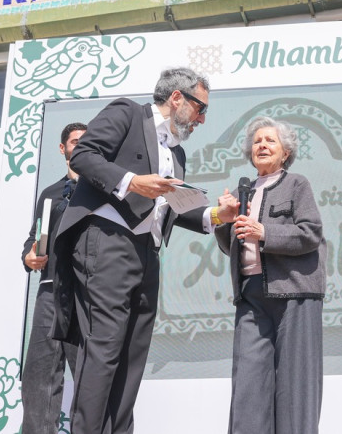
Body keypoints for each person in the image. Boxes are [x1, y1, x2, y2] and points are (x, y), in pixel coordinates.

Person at [51, 68, 238, 434]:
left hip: (147, 253)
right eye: (201, 109)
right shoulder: (127, 114)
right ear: (177, 98)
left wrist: (219, 214)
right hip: (107, 242)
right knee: (103, 350)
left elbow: (174, 209)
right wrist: (132, 181)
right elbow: (84, 156)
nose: (202, 119)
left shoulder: (177, 152)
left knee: (132, 356)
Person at [214, 116, 327, 434]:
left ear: (286, 152)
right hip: (250, 294)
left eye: (270, 141)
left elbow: (310, 233)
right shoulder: (243, 190)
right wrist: (225, 220)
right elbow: (231, 247)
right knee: (248, 384)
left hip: (294, 292)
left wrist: (264, 231)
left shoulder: (297, 184)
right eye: (257, 141)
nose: (261, 145)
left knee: (295, 385)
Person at [19, 121, 86, 434]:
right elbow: (33, 237)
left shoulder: (106, 191)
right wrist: (28, 256)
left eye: (88, 141)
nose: (81, 145)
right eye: (74, 141)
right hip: (50, 292)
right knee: (39, 377)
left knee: (91, 380)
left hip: (89, 295)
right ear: (63, 149)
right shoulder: (48, 193)